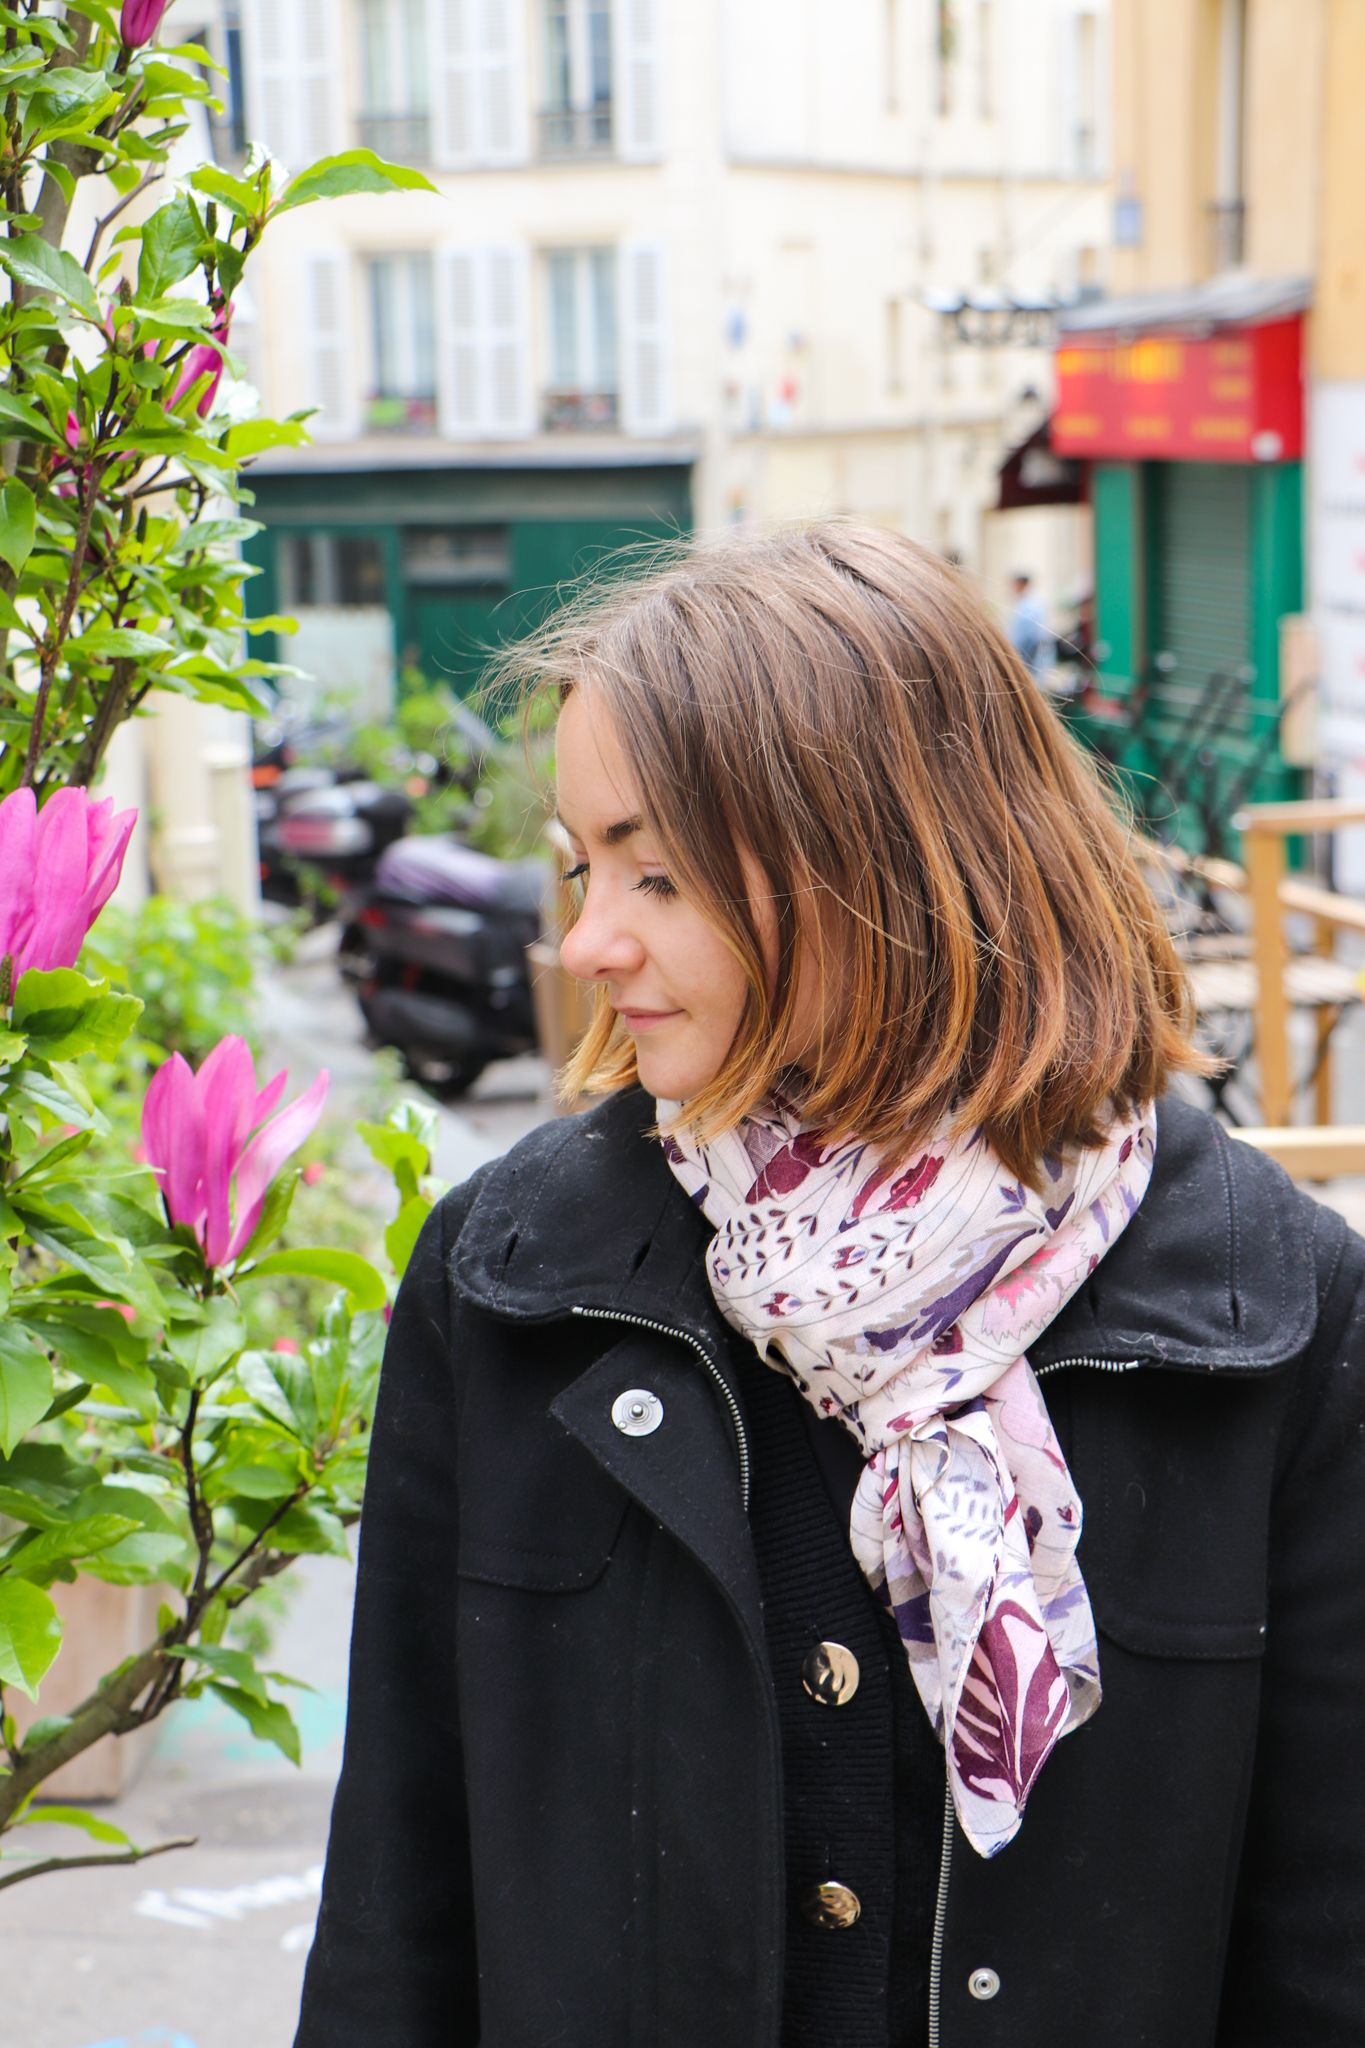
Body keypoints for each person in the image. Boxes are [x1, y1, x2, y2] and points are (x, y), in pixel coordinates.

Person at [294, 522, 1365, 2048]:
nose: (587, 940)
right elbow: (398, 1911)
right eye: (585, 864)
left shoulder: (1274, 1310)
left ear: (881, 868)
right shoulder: (518, 1282)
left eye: (658, 874)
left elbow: (1327, 1943)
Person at [1006, 568, 1054, 683]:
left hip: (1030, 660)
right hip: (1032, 660)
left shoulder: (1029, 607)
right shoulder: (1029, 604)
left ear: (1021, 584)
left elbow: (1029, 638)